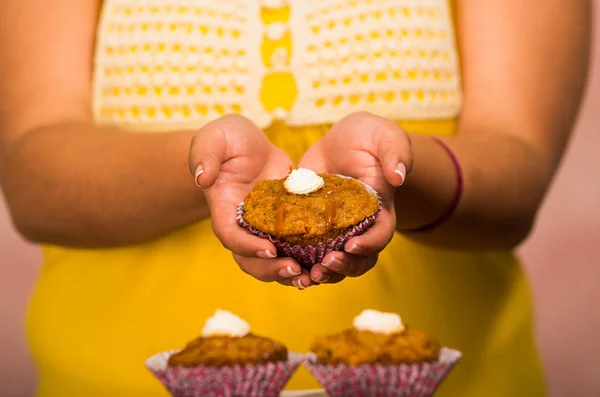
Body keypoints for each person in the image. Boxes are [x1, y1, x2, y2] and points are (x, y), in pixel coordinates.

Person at [0, 0, 590, 396]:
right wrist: (203, 170)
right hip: (110, 379)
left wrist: (399, 170)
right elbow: (32, 177)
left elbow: (519, 170)